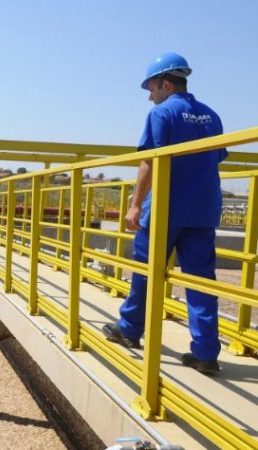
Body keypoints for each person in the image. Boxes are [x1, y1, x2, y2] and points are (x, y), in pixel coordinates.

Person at [102, 52, 228, 376]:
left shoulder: (162, 114)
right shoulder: (212, 116)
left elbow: (149, 162)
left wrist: (134, 204)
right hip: (203, 211)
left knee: (146, 273)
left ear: (166, 84)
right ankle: (206, 354)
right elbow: (217, 159)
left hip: (165, 210)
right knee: (202, 281)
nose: (149, 95)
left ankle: (129, 330)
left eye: (151, 88)